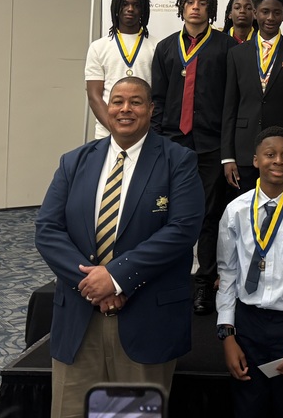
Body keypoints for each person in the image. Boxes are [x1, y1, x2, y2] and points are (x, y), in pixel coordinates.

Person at [35, 77, 205, 418]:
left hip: (145, 318)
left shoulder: (178, 161)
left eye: (136, 102)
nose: (125, 109)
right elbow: (48, 229)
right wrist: (93, 284)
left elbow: (182, 230)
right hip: (80, 317)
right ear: (106, 108)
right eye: (117, 101)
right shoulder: (74, 161)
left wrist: (114, 278)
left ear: (151, 110)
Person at [216, 126, 283, 418]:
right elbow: (227, 274)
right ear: (255, 160)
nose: (278, 160)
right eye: (270, 154)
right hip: (246, 324)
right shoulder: (236, 210)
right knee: (247, 406)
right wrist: (227, 336)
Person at [150, 0, 236, 316]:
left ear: (211, 10)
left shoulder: (226, 47)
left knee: (208, 217)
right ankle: (171, 283)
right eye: (190, 2)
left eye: (202, 3)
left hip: (211, 145)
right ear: (181, 7)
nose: (195, 8)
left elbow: (232, 103)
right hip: (172, 143)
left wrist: (227, 149)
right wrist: (156, 143)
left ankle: (203, 285)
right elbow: (157, 99)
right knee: (169, 215)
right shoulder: (166, 47)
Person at [221, 0, 283, 194]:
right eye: (264, 11)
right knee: (244, 211)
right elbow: (230, 106)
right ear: (255, 13)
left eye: (276, 12)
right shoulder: (236, 54)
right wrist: (228, 156)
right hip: (244, 149)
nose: (270, 17)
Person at [85, 0, 156, 139]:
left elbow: (158, 95)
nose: (130, 9)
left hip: (145, 134)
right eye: (125, 4)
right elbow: (94, 95)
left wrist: (140, 130)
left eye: (136, 5)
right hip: (106, 133)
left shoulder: (157, 46)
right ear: (116, 7)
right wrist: (116, 128)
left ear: (143, 10)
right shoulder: (98, 47)